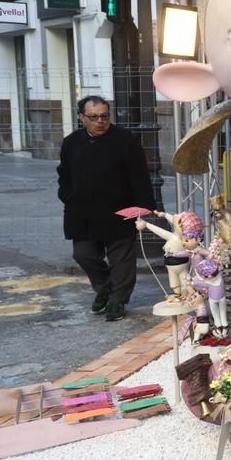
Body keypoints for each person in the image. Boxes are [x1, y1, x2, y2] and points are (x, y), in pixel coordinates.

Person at [57, 95, 156, 321]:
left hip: (119, 209)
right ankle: (105, 286)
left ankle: (117, 301)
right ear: (82, 117)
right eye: (93, 117)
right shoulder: (71, 142)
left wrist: (143, 207)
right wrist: (67, 196)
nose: (100, 121)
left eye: (104, 116)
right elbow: (64, 173)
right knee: (84, 255)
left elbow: (140, 176)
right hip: (82, 211)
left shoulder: (126, 140)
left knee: (122, 259)